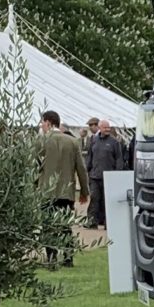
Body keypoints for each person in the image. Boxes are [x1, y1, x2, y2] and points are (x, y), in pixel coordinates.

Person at [37, 108, 87, 263]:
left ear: (48, 122)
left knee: (47, 225)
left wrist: (33, 187)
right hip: (66, 191)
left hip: (47, 191)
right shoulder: (72, 142)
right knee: (65, 225)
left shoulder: (42, 141)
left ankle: (51, 257)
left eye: (42, 122)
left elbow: (35, 166)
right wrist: (84, 191)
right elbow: (81, 168)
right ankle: (68, 257)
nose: (42, 126)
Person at [85, 116, 126, 234]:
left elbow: (119, 159)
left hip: (109, 177)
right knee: (94, 198)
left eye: (109, 127)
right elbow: (89, 156)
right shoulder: (93, 140)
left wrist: (117, 174)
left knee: (106, 201)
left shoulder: (114, 142)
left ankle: (108, 223)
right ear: (100, 128)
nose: (107, 129)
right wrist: (88, 169)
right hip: (94, 176)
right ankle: (92, 222)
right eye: (105, 128)